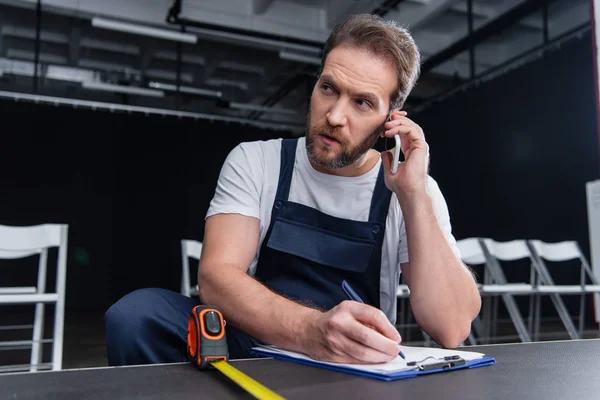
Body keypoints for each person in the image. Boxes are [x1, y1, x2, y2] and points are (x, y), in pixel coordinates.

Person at [105, 13, 481, 366]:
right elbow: (216, 279)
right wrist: (310, 330)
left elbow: (451, 328)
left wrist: (413, 195)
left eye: (362, 102)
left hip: (350, 365)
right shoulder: (257, 161)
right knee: (136, 316)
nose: (335, 116)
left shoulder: (411, 191)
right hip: (250, 347)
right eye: (329, 88)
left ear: (391, 121)